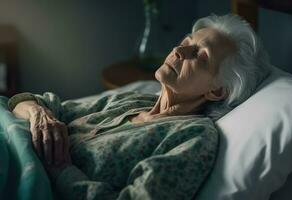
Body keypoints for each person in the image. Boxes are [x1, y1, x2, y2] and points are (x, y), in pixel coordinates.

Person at [8, 14, 270, 200]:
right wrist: (38, 113)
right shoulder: (131, 100)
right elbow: (29, 102)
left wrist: (62, 171)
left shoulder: (192, 137)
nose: (179, 50)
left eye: (200, 55)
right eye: (187, 41)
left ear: (216, 90)